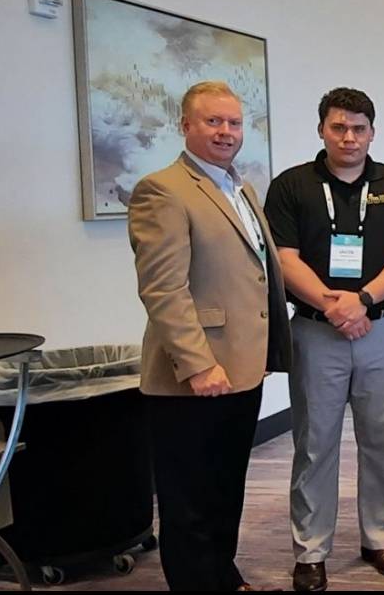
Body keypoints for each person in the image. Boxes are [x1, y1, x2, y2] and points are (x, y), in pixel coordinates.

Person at [128, 80, 292, 591]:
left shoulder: (239, 187)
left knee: (225, 489)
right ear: (186, 126)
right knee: (189, 500)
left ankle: (223, 574)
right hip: (193, 377)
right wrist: (198, 365)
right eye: (213, 122)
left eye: (234, 123)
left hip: (241, 368)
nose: (226, 132)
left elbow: (255, 274)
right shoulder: (163, 190)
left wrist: (263, 349)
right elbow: (163, 290)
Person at [264, 87, 384, 591]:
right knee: (314, 443)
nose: (349, 137)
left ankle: (380, 539)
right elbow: (284, 258)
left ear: (372, 132)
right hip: (317, 332)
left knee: (381, 440)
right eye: (339, 127)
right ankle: (310, 550)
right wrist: (335, 306)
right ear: (322, 130)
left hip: (381, 329)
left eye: (359, 128)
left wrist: (362, 300)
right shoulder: (292, 186)